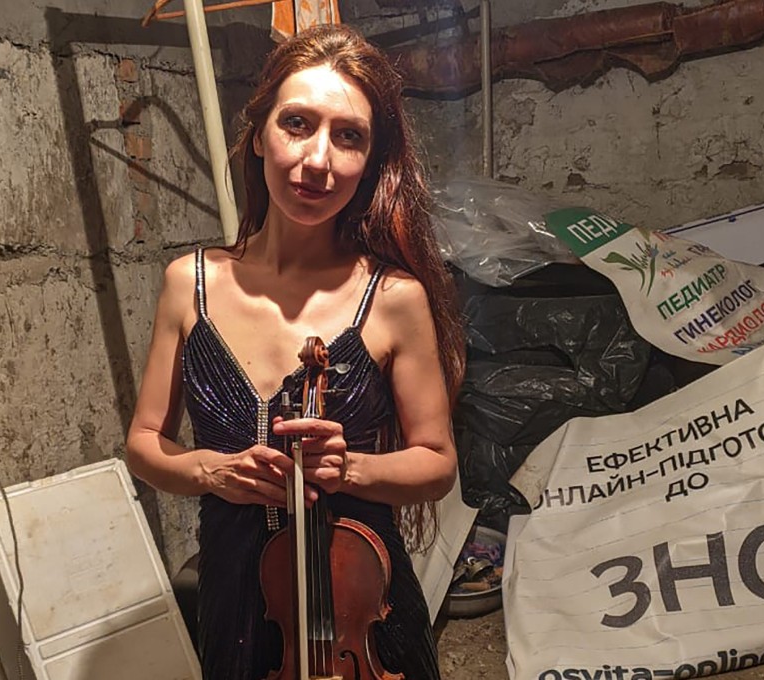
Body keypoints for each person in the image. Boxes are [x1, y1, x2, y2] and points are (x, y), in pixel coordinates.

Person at [126, 23, 464, 680]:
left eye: (349, 136)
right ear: (259, 134)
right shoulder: (186, 284)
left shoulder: (393, 296)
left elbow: (438, 463)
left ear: (370, 161)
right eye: (298, 124)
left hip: (363, 608)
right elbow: (144, 443)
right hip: (234, 600)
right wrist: (209, 472)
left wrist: (352, 472)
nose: (318, 160)